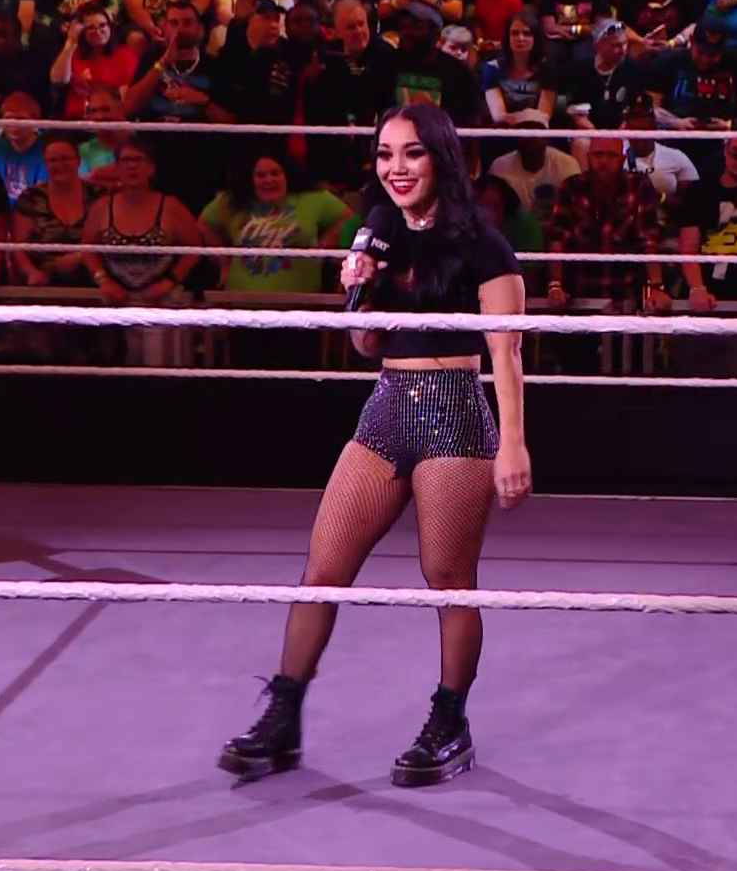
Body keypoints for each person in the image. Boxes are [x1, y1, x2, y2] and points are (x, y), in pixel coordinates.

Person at [219, 103, 532, 789]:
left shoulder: (483, 242)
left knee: (448, 580)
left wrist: (513, 443)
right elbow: (366, 345)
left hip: (454, 408)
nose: (396, 168)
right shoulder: (381, 229)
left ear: (440, 157)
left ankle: (450, 721)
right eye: (385, 154)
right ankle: (284, 715)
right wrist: (359, 292)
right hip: (386, 406)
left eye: (411, 153)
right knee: (322, 568)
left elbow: (506, 352)